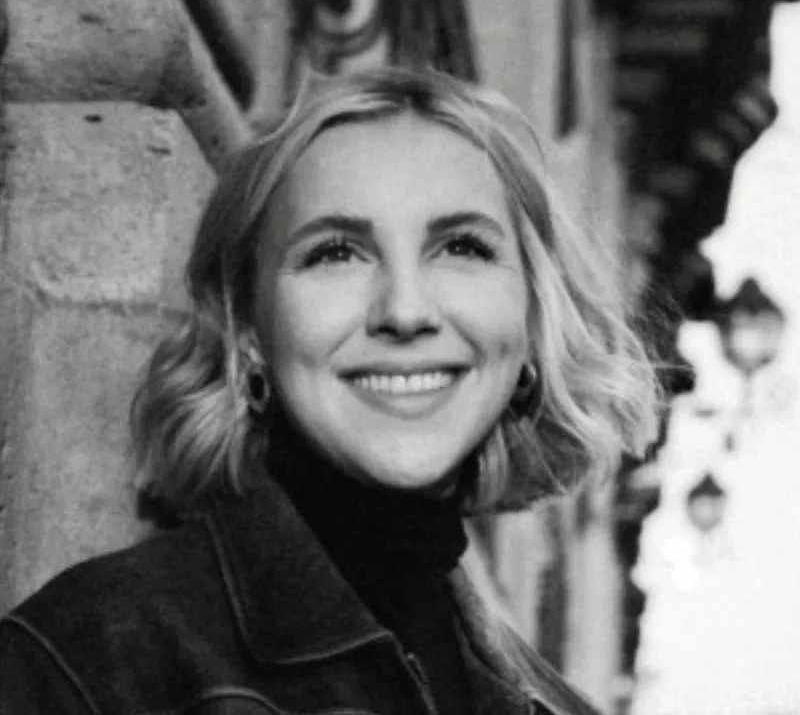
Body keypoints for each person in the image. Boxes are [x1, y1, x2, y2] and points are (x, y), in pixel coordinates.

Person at [0, 66, 659, 715]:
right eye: (336, 253)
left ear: (531, 321)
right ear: (249, 330)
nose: (404, 310)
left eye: (460, 246)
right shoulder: (90, 661)